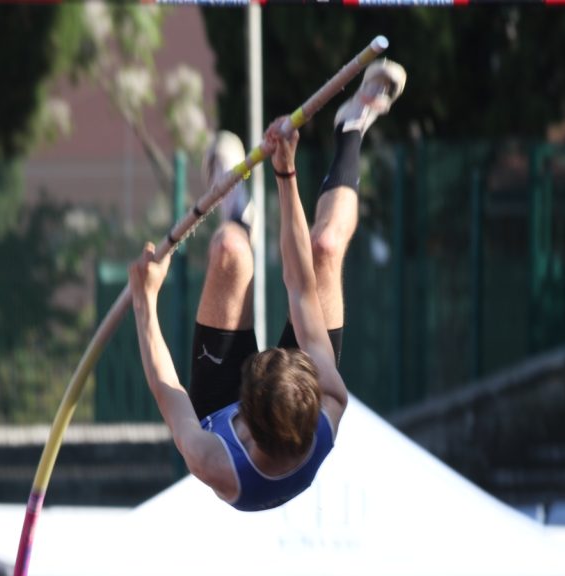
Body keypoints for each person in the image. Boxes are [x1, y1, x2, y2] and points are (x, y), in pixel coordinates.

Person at [128, 59, 406, 511]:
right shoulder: (329, 400)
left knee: (229, 251)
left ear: (246, 420)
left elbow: (167, 390)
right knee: (324, 249)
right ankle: (351, 125)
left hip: (217, 408)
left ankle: (236, 219)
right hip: (279, 412)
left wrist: (146, 301)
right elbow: (299, 286)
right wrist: (285, 172)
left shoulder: (213, 460)